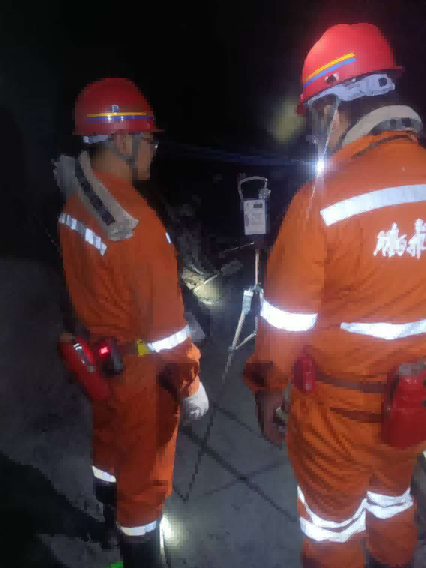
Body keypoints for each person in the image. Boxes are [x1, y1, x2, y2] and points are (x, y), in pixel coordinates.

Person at [244, 23, 426, 568]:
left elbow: (283, 321)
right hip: (413, 403)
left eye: (314, 120)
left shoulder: (321, 201)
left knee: (331, 530)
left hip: (336, 413)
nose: (315, 134)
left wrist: (266, 390)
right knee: (392, 500)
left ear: (331, 110)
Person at [55, 77, 209, 567]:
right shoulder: (136, 224)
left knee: (108, 448)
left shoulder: (77, 203)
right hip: (140, 371)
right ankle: (136, 553)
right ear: (122, 140)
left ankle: (107, 525)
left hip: (100, 358)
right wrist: (189, 383)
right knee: (143, 485)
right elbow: (168, 332)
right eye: (148, 139)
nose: (153, 150)